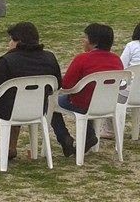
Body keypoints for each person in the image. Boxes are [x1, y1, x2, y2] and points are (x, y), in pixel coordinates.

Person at [0, 21, 63, 161]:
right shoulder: (49, 58)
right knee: (19, 100)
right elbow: (57, 84)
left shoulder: (7, 61)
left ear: (18, 41)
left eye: (11, 39)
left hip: (9, 110)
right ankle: (11, 145)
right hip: (39, 108)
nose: (9, 43)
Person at [52, 23, 124, 158]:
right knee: (90, 96)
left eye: (85, 37)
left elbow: (66, 86)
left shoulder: (82, 59)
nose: (82, 40)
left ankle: (64, 137)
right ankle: (89, 135)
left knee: (49, 103)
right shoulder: (116, 59)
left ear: (94, 42)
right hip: (107, 105)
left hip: (82, 104)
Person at [99, 22, 140, 138]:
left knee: (111, 92)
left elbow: (121, 66)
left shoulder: (132, 46)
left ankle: (109, 129)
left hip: (129, 92)